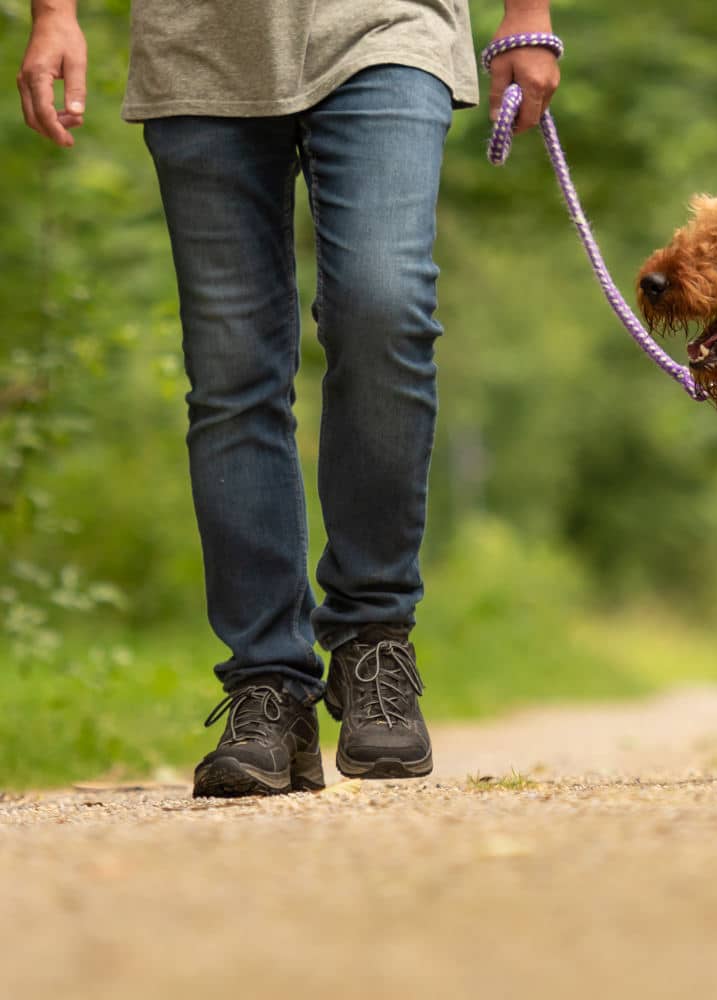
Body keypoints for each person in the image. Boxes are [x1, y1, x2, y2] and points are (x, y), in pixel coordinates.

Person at [17, 0, 560, 797]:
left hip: (388, 25)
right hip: (197, 45)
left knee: (384, 305)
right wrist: (54, 12)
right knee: (231, 371)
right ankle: (267, 687)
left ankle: (375, 634)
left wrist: (528, 13)